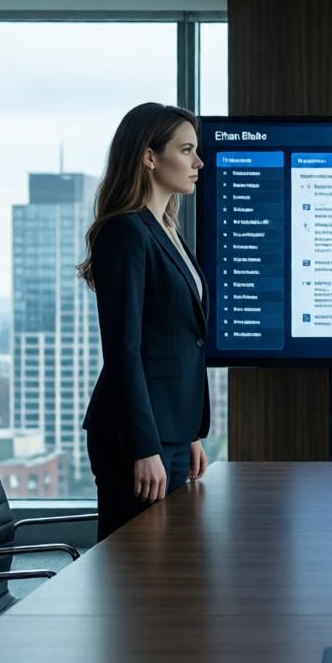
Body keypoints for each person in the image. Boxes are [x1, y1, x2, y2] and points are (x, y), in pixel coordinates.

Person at [79, 102, 211, 542]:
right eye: (187, 150)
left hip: (169, 429)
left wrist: (188, 432)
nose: (198, 162)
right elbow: (123, 351)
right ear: (150, 157)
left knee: (170, 565)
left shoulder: (166, 228)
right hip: (133, 437)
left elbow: (174, 340)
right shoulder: (125, 232)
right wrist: (144, 446)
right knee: (137, 572)